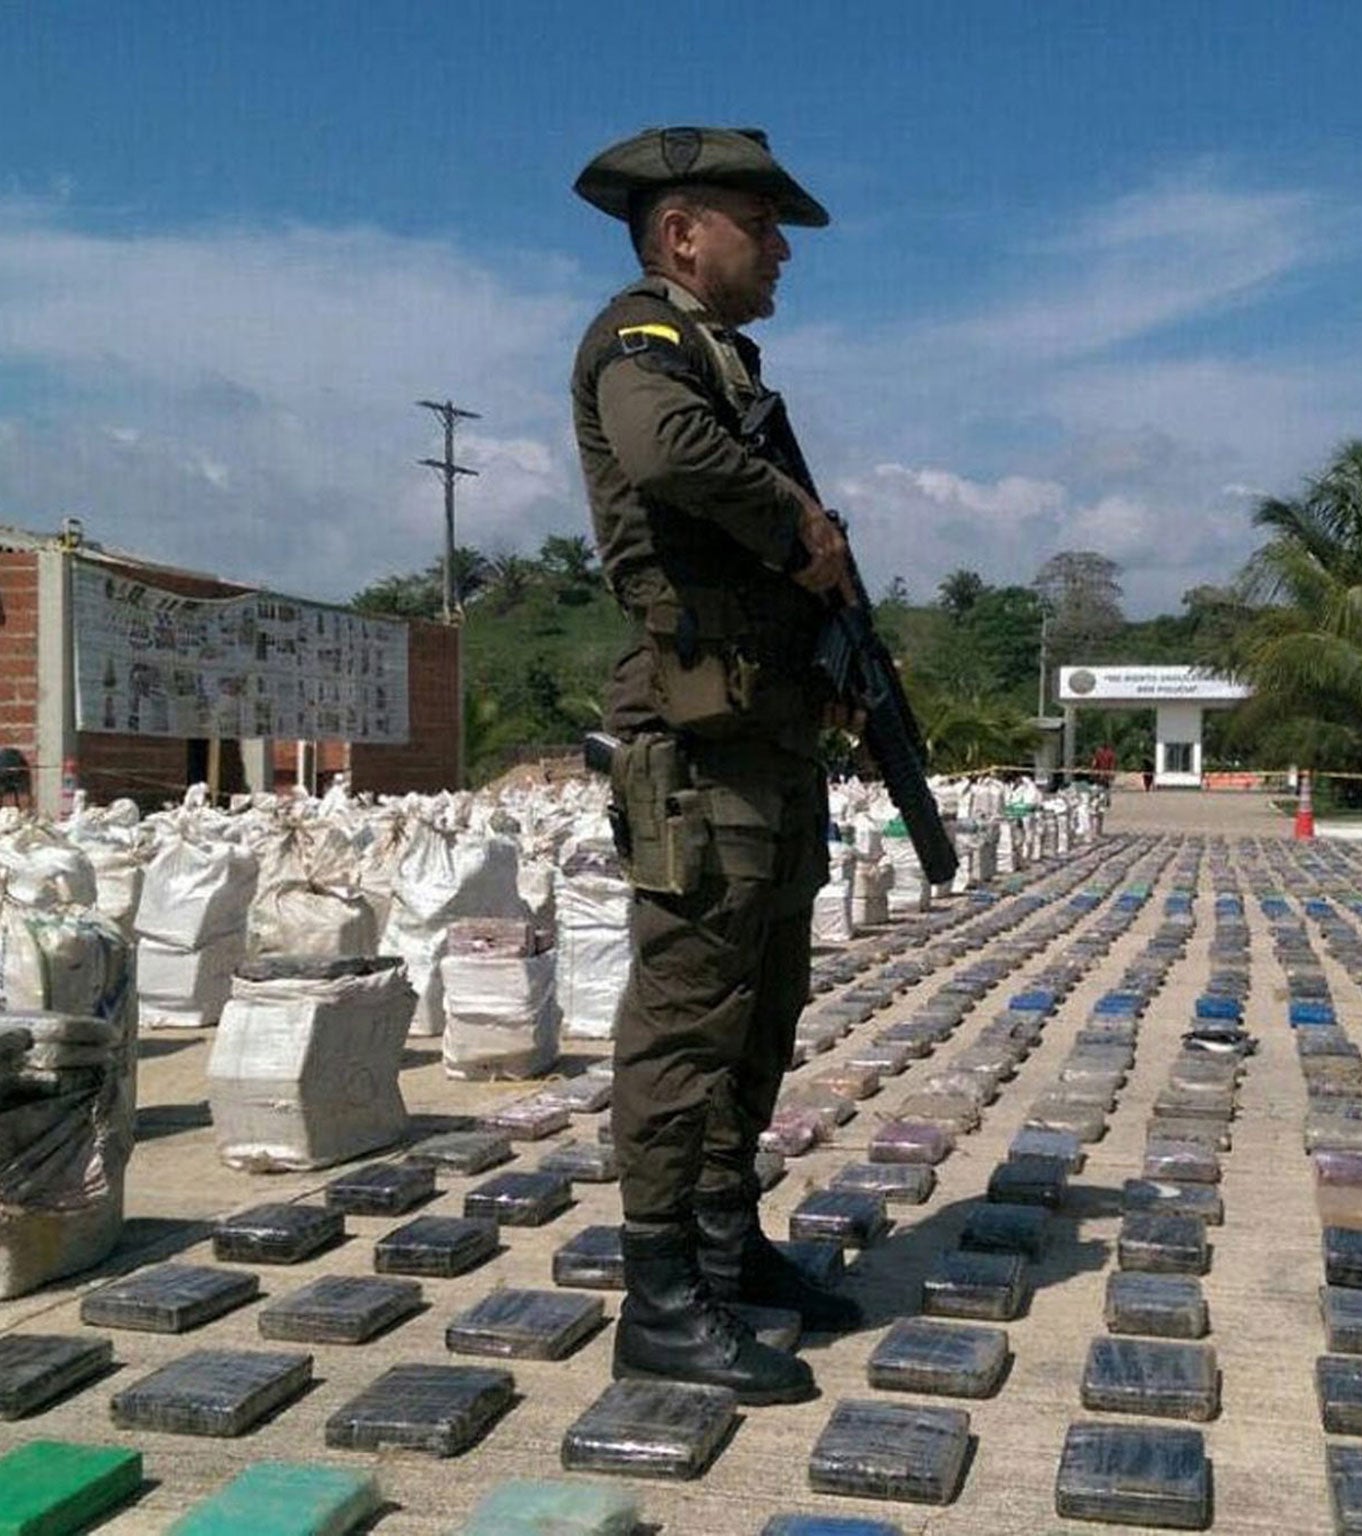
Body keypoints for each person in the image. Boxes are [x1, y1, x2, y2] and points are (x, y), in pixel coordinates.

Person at [569, 125, 859, 1405]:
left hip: (764, 739)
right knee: (687, 1021)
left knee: (764, 1010)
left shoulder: (727, 364)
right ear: (685, 231)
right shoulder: (642, 343)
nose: (784, 248)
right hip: (696, 747)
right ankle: (660, 1299)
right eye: (762, 221)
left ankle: (727, 1253)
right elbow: (668, 458)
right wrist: (801, 526)